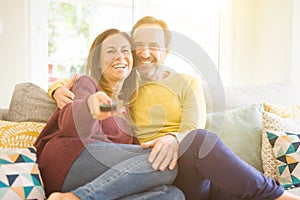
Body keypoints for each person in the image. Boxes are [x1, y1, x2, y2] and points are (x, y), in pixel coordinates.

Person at [48, 17, 300, 200]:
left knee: (192, 173)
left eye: (154, 46)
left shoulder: (182, 84)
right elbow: (85, 94)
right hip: (151, 168)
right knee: (175, 176)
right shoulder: (121, 86)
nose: (145, 53)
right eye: (138, 47)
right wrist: (57, 89)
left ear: (166, 51)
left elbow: (192, 128)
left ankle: (274, 194)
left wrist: (172, 139)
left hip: (182, 168)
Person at [35, 29, 185, 200]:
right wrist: (90, 106)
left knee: (172, 195)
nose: (120, 56)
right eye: (111, 51)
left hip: (99, 177)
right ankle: (80, 198)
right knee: (163, 163)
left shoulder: (128, 108)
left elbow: (132, 159)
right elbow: (70, 124)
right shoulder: (87, 84)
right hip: (67, 162)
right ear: (98, 62)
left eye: (125, 50)